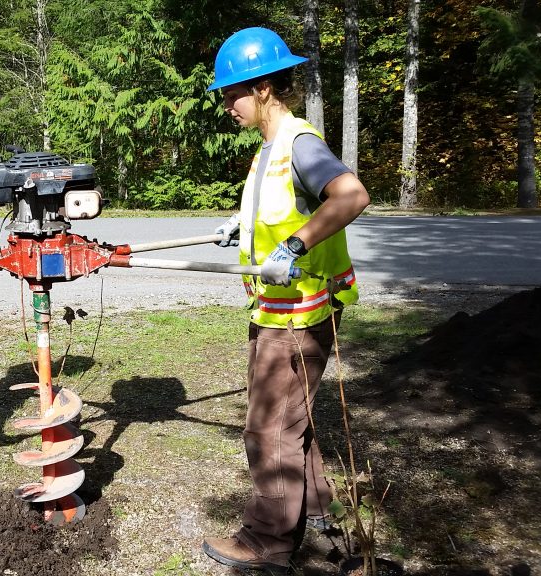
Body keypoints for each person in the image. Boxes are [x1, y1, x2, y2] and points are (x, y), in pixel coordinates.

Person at [202, 27, 370, 574]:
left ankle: (267, 541)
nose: (227, 104)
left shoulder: (300, 144)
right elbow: (280, 208)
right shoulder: (269, 152)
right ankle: (318, 508)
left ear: (266, 87)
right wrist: (240, 223)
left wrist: (296, 246)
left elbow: (351, 195)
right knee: (291, 420)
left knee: (270, 426)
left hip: (299, 317)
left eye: (232, 92)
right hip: (275, 312)